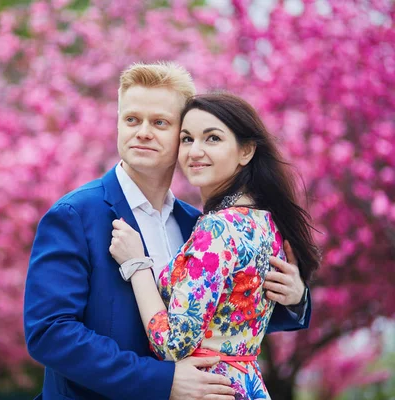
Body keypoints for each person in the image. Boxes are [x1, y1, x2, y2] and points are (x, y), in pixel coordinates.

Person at [24, 62, 311, 400]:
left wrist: (295, 298)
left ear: (181, 134)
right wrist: (161, 380)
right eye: (132, 119)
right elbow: (50, 333)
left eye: (160, 122)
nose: (143, 131)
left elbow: (225, 320)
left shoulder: (199, 226)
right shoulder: (74, 216)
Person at [109, 92, 321, 399]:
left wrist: (137, 265)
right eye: (186, 139)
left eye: (212, 139)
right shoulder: (266, 223)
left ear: (246, 150)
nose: (195, 151)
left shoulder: (216, 228)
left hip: (207, 390)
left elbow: (172, 344)